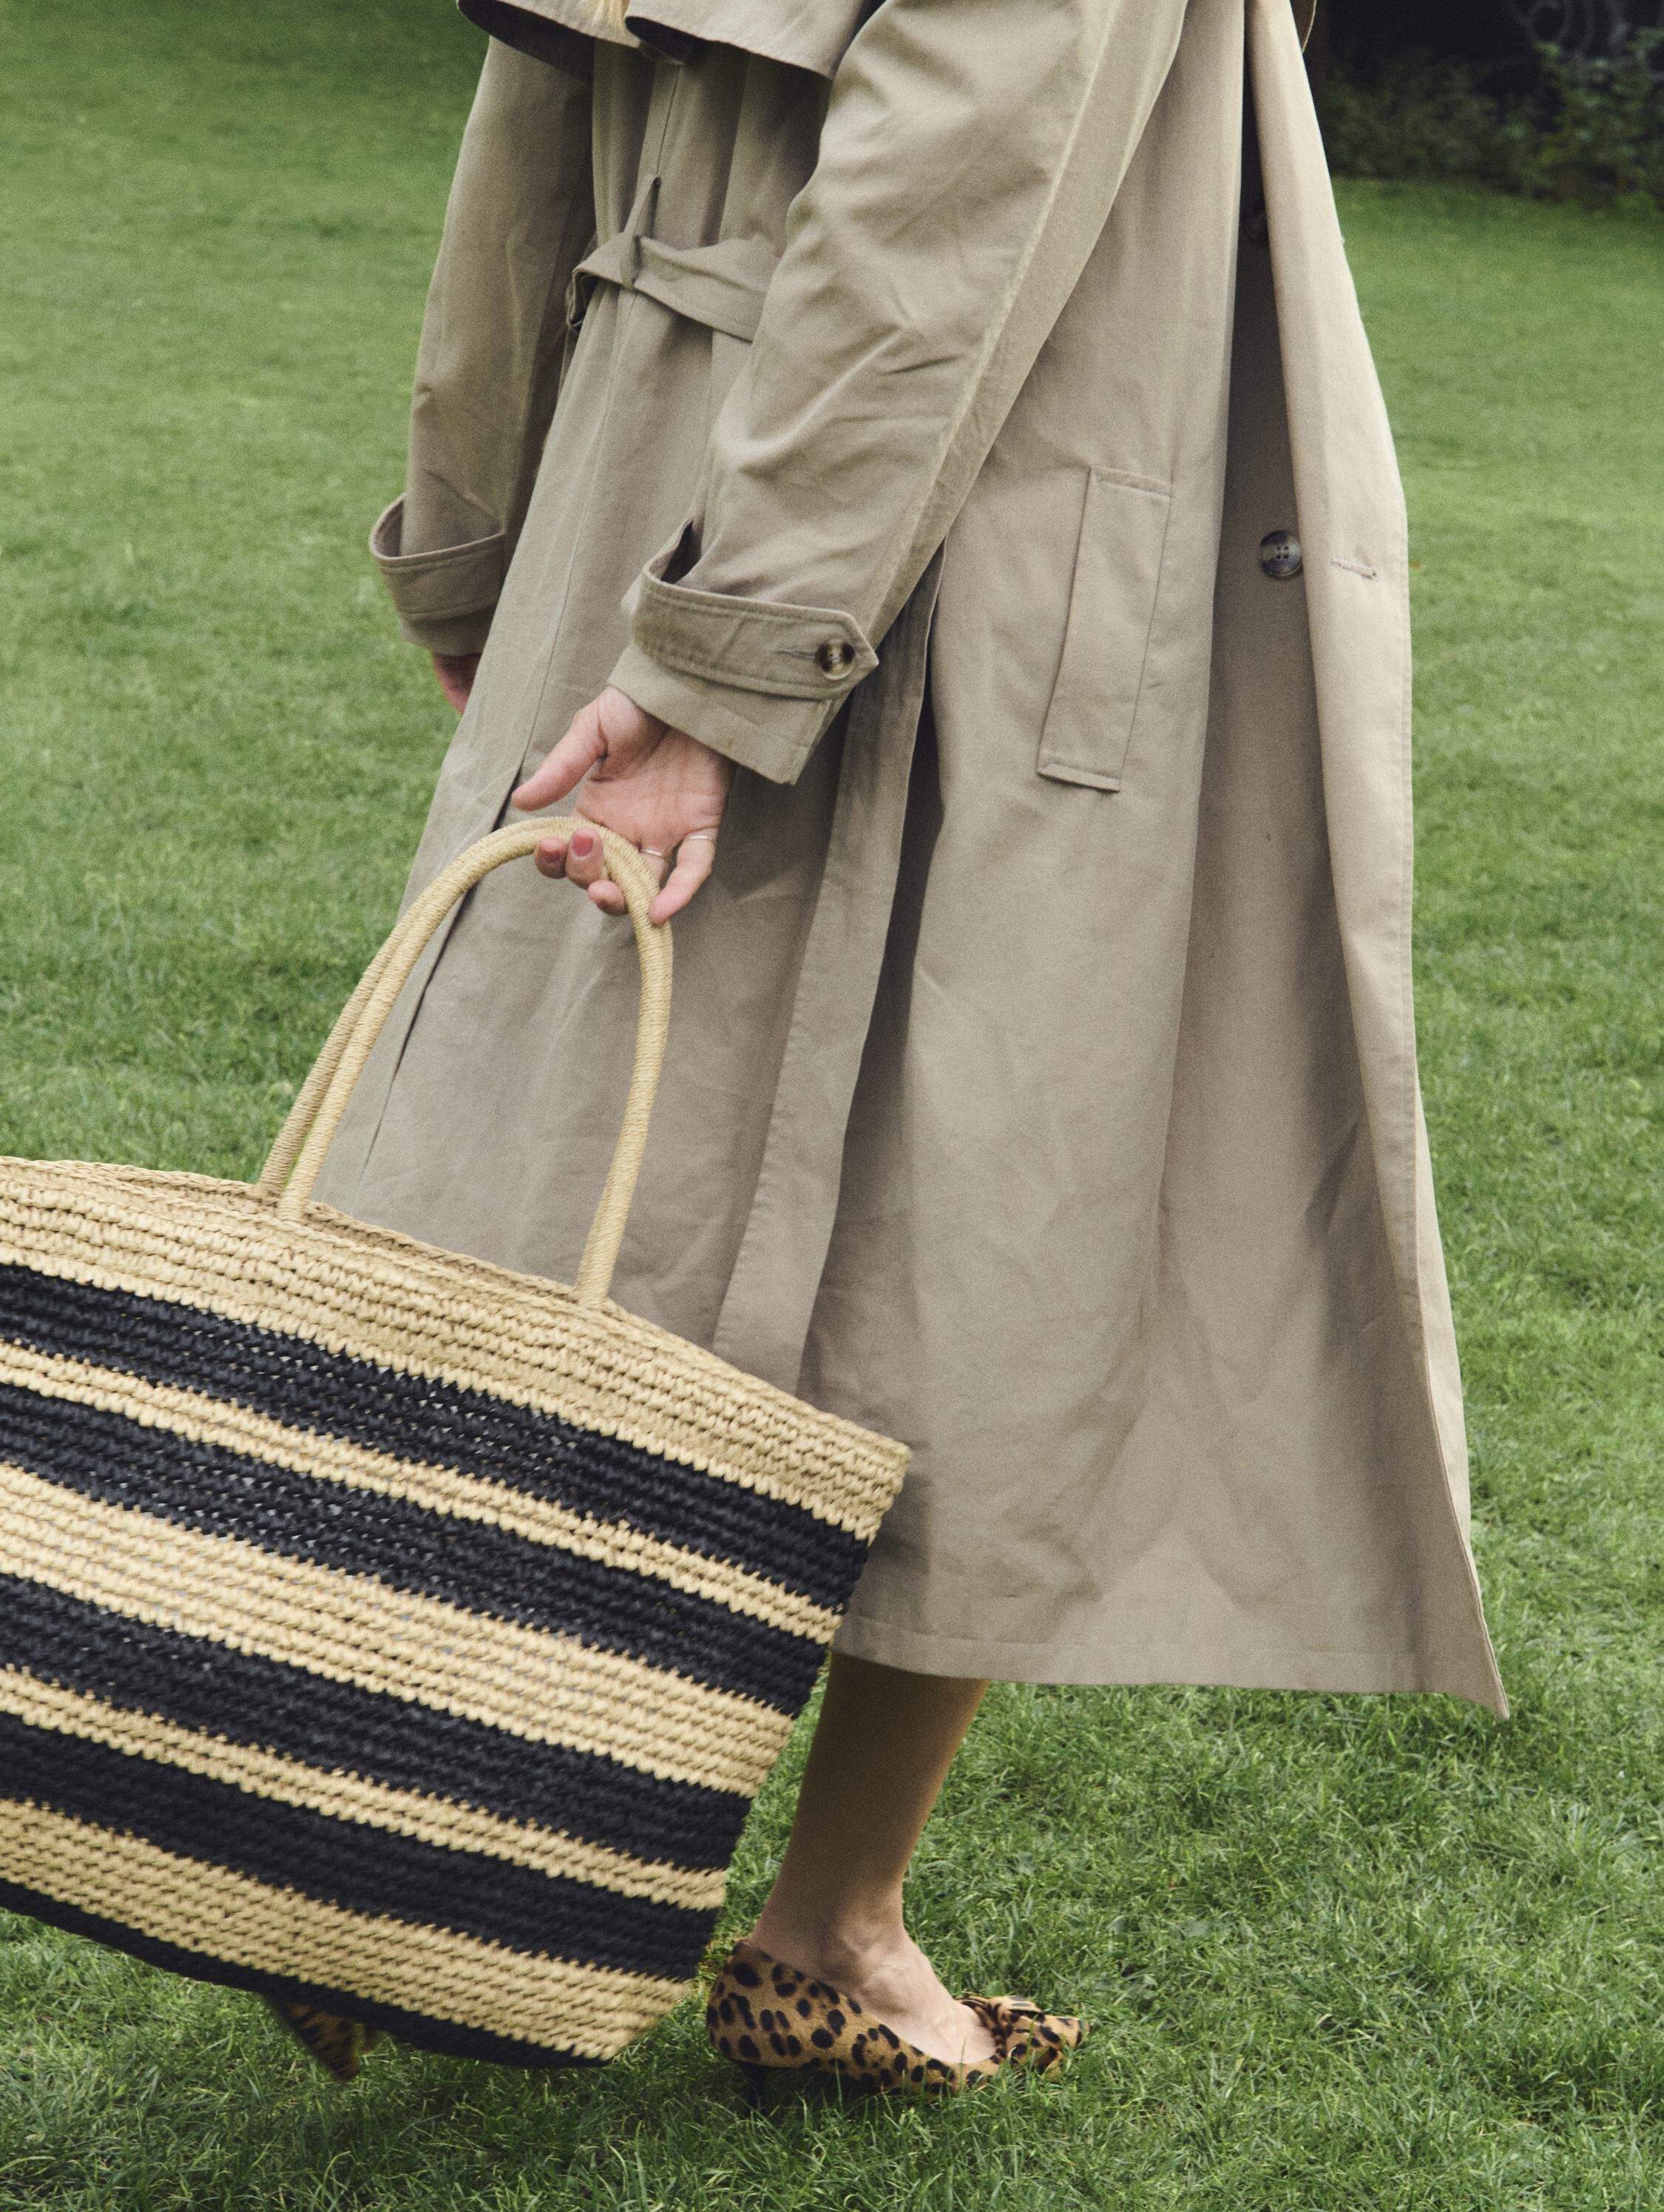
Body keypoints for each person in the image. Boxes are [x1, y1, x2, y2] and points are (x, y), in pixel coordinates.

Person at [317, 0, 1505, 2091]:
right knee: (975, 1229)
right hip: (976, 522)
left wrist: (488, 531)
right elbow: (950, 192)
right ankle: (625, 1874)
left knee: (595, 1133)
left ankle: (463, 1837)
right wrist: (723, 659)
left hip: (674, 477)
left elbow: (531, 126)